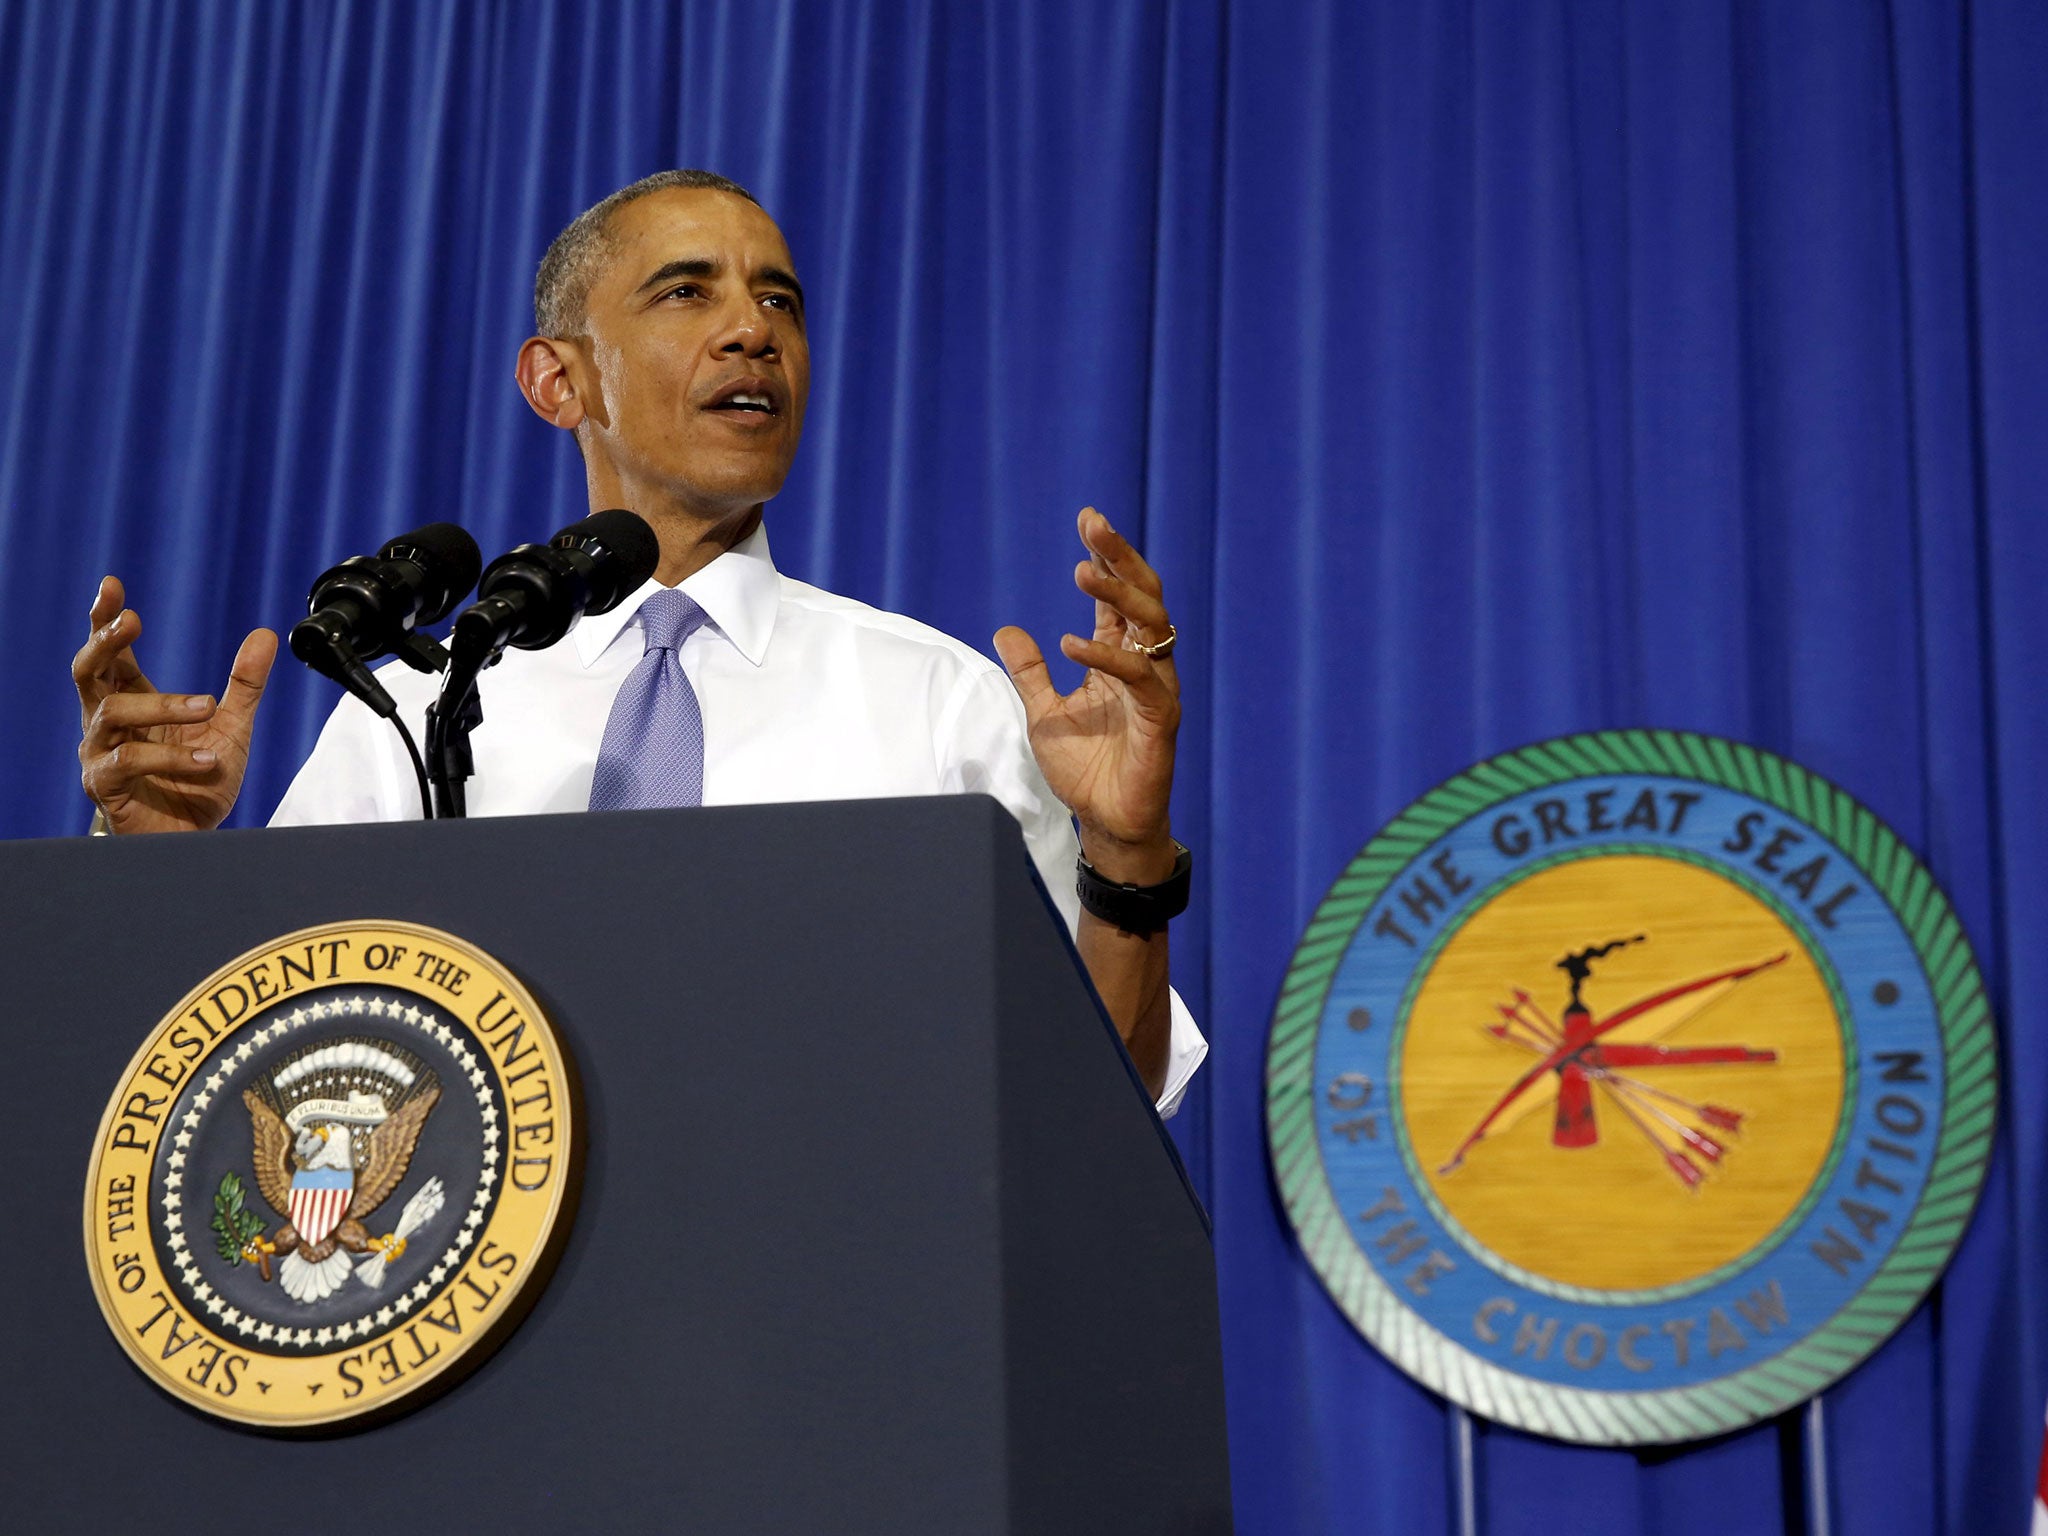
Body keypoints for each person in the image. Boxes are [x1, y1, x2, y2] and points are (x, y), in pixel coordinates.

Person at [73, 169, 1204, 1112]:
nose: (750, 332)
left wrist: (1124, 855)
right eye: (684, 292)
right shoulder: (420, 709)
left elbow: (1110, 1093)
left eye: (780, 301)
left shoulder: (935, 700)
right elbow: (266, 1069)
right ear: (558, 380)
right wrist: (165, 866)